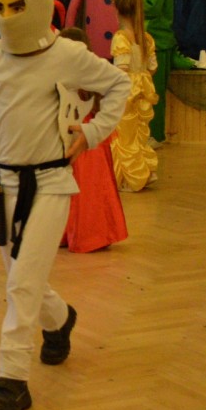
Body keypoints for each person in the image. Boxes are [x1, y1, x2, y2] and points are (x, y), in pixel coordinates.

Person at [0, 0, 130, 410]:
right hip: (4, 183)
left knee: (22, 283)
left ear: (41, 5)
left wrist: (91, 133)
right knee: (20, 277)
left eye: (18, 6)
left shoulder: (67, 54)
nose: (8, 16)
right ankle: (60, 319)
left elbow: (118, 83)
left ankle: (11, 379)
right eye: (1, 6)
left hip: (50, 184)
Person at [57, 27, 128, 253]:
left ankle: (90, 233)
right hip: (74, 131)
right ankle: (75, 231)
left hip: (85, 134)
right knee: (78, 187)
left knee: (89, 187)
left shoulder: (89, 74)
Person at [110, 0, 159, 192]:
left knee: (125, 136)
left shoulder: (121, 38)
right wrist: (141, 77)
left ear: (118, 10)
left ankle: (130, 178)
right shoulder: (146, 38)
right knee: (140, 134)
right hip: (143, 92)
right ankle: (146, 171)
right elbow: (153, 67)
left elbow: (121, 69)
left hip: (126, 93)